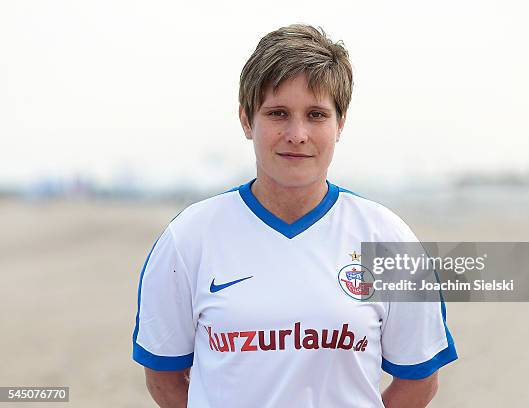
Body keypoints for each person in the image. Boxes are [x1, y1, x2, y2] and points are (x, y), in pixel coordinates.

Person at [132, 24, 457, 408]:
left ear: (341, 124)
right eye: (278, 113)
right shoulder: (187, 239)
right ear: (246, 119)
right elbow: (164, 378)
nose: (297, 133)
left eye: (317, 114)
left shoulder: (389, 238)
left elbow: (419, 382)